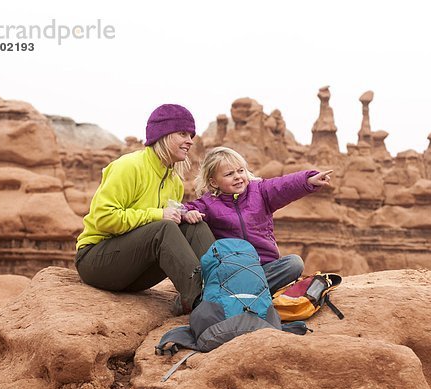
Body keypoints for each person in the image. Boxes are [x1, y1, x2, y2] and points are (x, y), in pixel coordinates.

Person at [75, 104, 215, 313]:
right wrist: (158, 215)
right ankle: (199, 302)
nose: (190, 141)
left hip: (133, 272)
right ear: (164, 134)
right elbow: (104, 218)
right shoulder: (129, 166)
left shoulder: (173, 181)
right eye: (183, 133)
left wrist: (184, 216)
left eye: (191, 135)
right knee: (163, 229)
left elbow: (158, 229)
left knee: (197, 226)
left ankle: (222, 289)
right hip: (96, 261)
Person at [182, 146, 332, 294]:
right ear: (214, 182)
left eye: (241, 171)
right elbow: (186, 208)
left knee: (294, 263)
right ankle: (253, 291)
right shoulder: (209, 203)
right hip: (235, 271)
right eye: (229, 174)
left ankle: (241, 293)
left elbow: (284, 186)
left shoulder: (259, 191)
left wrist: (309, 180)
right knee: (231, 278)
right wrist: (188, 213)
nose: (237, 177)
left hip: (266, 266)